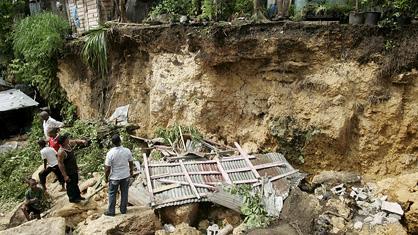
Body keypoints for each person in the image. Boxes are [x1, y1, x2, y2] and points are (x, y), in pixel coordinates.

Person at [104, 134, 133, 216]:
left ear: (112, 143)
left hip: (114, 178)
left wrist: (106, 178)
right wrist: (131, 172)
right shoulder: (127, 151)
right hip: (125, 176)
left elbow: (107, 168)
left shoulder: (110, 153)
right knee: (124, 193)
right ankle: (123, 210)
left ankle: (111, 211)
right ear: (120, 141)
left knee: (112, 193)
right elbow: (131, 162)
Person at [57, 133, 88, 203]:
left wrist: (82, 141)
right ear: (64, 141)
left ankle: (78, 196)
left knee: (75, 183)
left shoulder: (68, 144)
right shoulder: (61, 152)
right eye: (67, 139)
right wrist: (65, 176)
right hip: (68, 171)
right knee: (70, 185)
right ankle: (72, 198)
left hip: (73, 169)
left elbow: (75, 141)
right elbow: (60, 164)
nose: (68, 139)